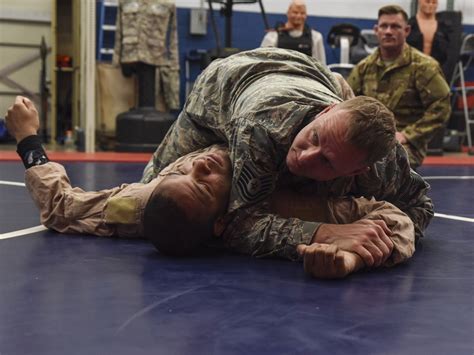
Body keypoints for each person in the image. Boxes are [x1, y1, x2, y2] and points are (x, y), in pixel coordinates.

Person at [6, 96, 416, 279]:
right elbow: (397, 221)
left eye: (181, 174)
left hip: (228, 101)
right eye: (203, 185)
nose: (200, 165)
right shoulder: (291, 205)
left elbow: (63, 208)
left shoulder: (145, 202)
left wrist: (28, 143)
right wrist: (352, 258)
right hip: (277, 99)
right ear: (221, 220)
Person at [141, 47, 433, 266]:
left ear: (360, 170)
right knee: (152, 186)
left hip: (314, 79)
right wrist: (324, 233)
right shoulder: (260, 128)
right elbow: (238, 225)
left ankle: (330, 110)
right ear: (326, 112)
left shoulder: (383, 165)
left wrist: (368, 248)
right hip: (227, 82)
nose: (305, 157)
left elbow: (420, 208)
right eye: (314, 138)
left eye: (326, 161)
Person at [347, 4, 451, 169]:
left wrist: (408, 135)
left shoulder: (424, 66)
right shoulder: (364, 67)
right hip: (368, 140)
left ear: (407, 31)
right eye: (384, 26)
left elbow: (441, 107)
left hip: (405, 145)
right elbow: (347, 103)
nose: (388, 31)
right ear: (376, 30)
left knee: (380, 165)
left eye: (395, 26)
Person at [260, 0, 326, 65]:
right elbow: (262, 63)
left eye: (302, 13)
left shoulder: (316, 37)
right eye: (295, 12)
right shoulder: (272, 36)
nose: (298, 16)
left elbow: (322, 66)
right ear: (288, 13)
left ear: (306, 15)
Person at [406, 0, 454, 81]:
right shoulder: (409, 25)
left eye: (434, 2)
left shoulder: (445, 28)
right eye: (427, 2)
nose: (431, 5)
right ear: (419, 2)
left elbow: (450, 55)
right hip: (412, 73)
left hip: (436, 74)